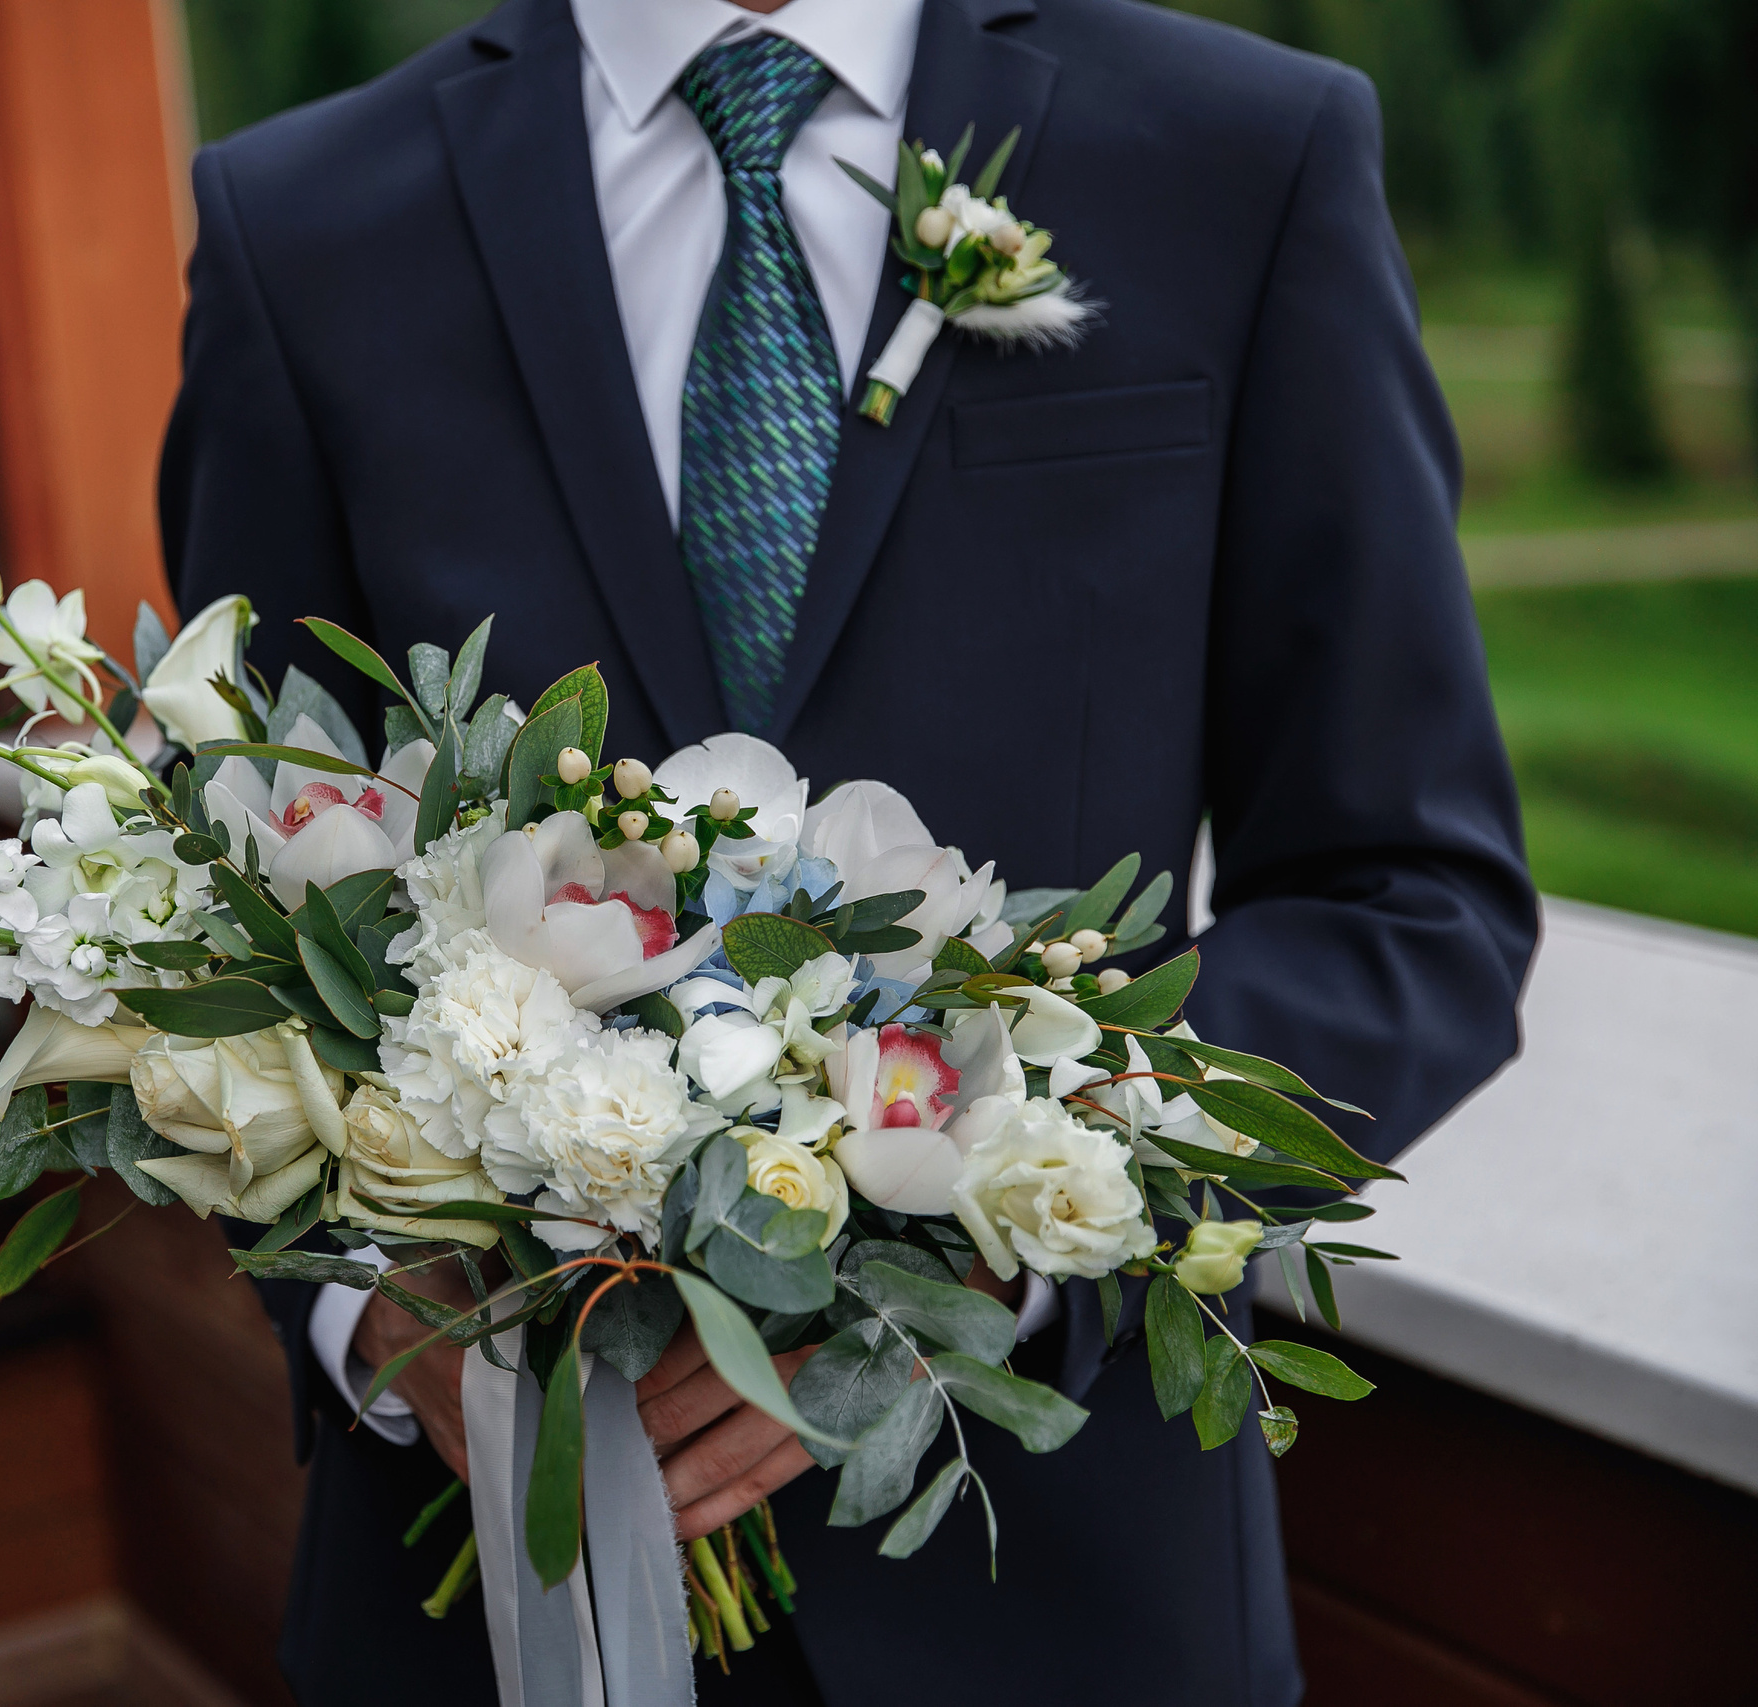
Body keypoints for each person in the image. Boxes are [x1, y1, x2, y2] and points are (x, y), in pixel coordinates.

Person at [158, 0, 1537, 1701]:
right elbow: (225, 898)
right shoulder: (303, 222)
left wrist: (997, 1242)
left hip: (1070, 1591)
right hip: (487, 1587)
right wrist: (377, 1309)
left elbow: (1407, 899)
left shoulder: (1244, 154)